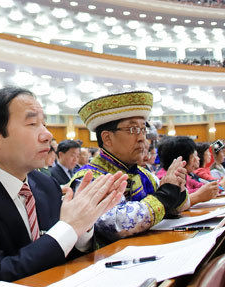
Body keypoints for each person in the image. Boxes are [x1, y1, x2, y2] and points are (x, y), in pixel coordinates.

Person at [0, 86, 127, 287]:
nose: (48, 135)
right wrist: (69, 227)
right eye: (32, 123)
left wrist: (82, 228)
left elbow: (61, 255)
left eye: (44, 123)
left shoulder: (45, 184)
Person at [70, 91, 189, 243]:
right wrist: (165, 195)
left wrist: (177, 186)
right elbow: (115, 224)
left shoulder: (144, 174)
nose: (141, 138)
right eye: (133, 130)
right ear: (107, 138)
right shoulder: (89, 178)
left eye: (143, 130)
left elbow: (174, 206)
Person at [156, 137, 219, 205]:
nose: (197, 159)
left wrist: (211, 188)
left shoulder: (184, 175)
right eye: (193, 156)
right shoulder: (163, 178)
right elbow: (176, 200)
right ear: (182, 158)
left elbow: (200, 186)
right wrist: (199, 194)